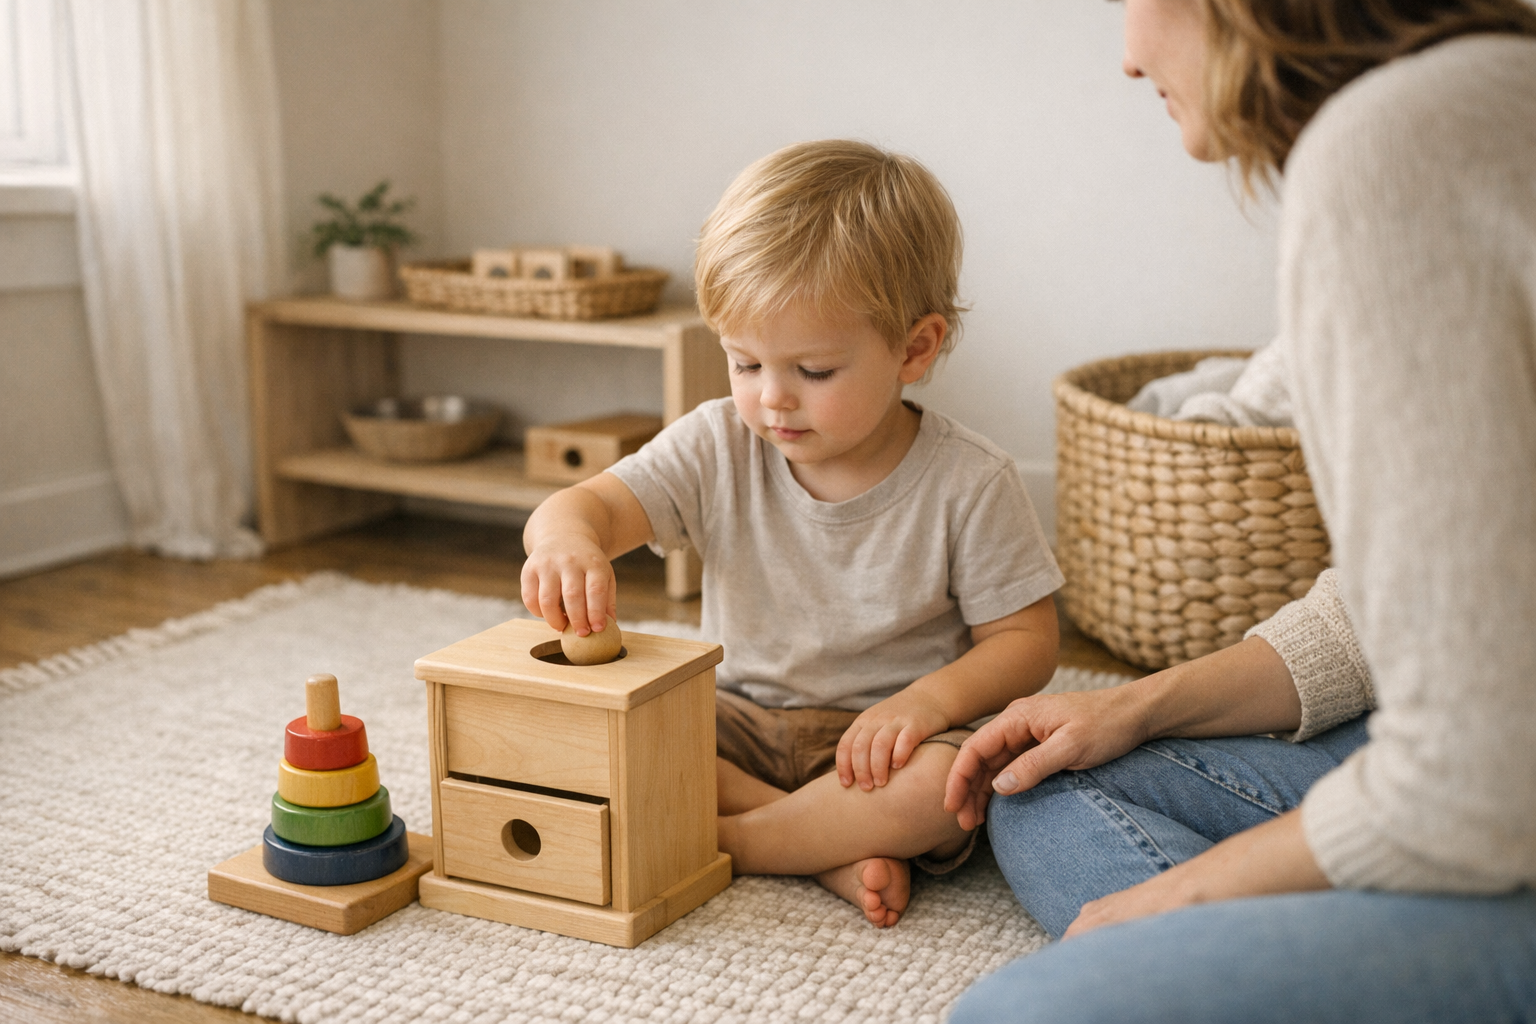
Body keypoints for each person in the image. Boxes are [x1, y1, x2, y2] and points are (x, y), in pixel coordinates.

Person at [946, 0, 1536, 1020]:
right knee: (1044, 781)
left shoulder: (1395, 145)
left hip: (1494, 799)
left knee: (1017, 1014)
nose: (1128, 59)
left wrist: (1174, 902)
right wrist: (1134, 705)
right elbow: (1429, 610)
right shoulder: (1478, 92)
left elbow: (1474, 785)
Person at [521, 140, 1063, 928]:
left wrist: (924, 704)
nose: (772, 399)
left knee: (952, 790)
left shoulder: (971, 481)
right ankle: (821, 843)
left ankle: (741, 841)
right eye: (744, 363)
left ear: (914, 348)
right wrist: (565, 542)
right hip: (735, 719)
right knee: (596, 725)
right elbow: (587, 506)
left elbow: (1027, 641)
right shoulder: (716, 443)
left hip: (885, 744)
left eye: (812, 371)